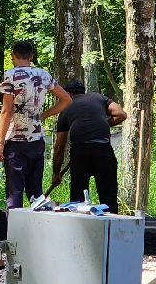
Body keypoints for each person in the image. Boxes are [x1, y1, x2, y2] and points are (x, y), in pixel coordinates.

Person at [0, 40, 70, 210]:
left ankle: (13, 234)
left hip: (15, 141)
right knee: (36, 192)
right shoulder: (43, 75)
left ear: (13, 56)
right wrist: (44, 114)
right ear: (31, 56)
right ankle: (38, 232)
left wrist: (0, 142)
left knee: (15, 191)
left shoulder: (10, 76)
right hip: (37, 139)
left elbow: (6, 111)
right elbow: (66, 99)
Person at [51, 81, 127, 209]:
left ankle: (80, 225)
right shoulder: (99, 98)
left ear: (68, 94)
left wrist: (56, 173)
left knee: (78, 199)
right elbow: (121, 114)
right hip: (103, 149)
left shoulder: (65, 110)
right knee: (108, 196)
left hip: (80, 153)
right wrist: (102, 123)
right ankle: (111, 225)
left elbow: (59, 148)